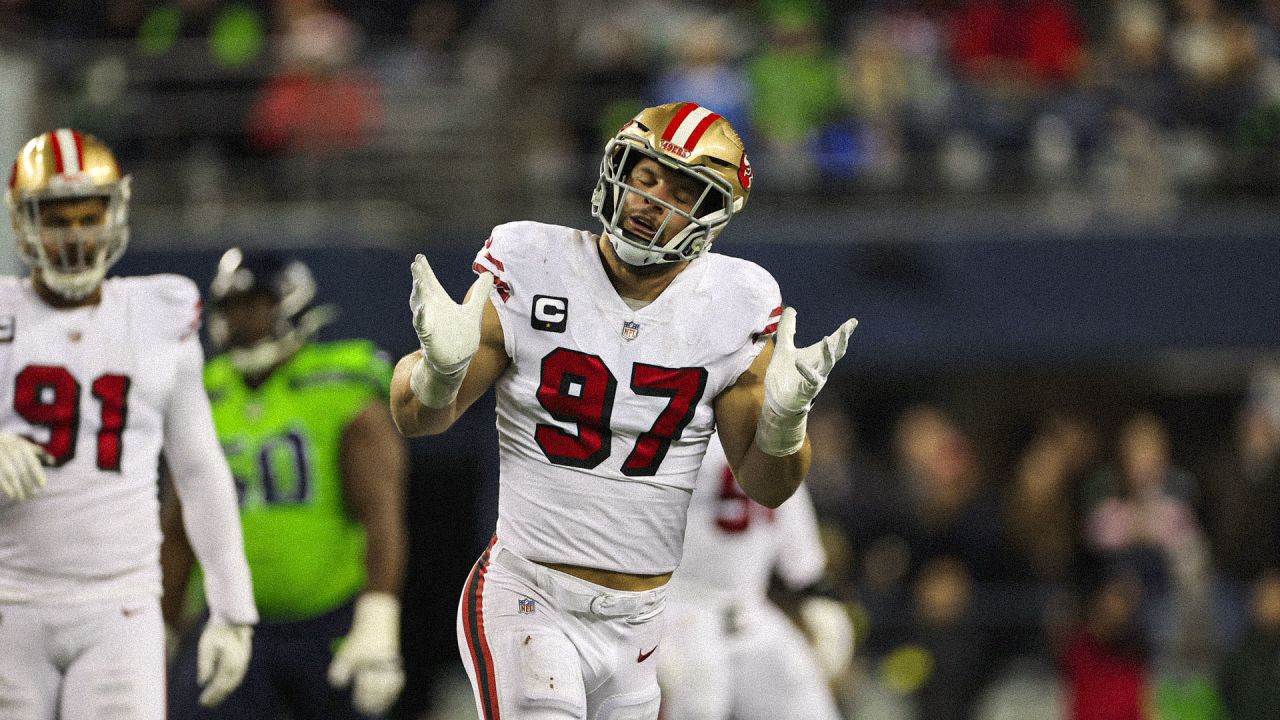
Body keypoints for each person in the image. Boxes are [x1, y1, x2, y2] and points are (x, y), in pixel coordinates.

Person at [389, 101, 860, 720]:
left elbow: (768, 485)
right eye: (645, 174)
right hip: (531, 596)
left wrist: (785, 424)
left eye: (681, 188)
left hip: (644, 626)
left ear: (712, 213)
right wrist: (435, 372)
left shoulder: (738, 300)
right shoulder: (531, 258)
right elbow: (418, 417)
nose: (650, 197)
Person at [0, 129, 256, 718]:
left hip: (121, 603)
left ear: (116, 212)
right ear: (22, 223)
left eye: (89, 216)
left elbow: (198, 471)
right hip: (10, 599)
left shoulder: (157, 313)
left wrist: (232, 608)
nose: (74, 236)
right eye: (56, 219)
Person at [161, 248, 409, 719]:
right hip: (230, 621)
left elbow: (381, 513)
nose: (240, 321)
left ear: (290, 305)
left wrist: (379, 619)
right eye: (231, 308)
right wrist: (163, 630)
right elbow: (179, 527)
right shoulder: (202, 391)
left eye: (253, 306)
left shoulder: (342, 380)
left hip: (328, 619)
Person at [656, 434, 852, 720]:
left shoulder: (773, 431)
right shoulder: (683, 426)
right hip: (677, 606)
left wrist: (816, 595)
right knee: (699, 703)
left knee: (804, 699)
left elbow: (790, 504)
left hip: (751, 612)